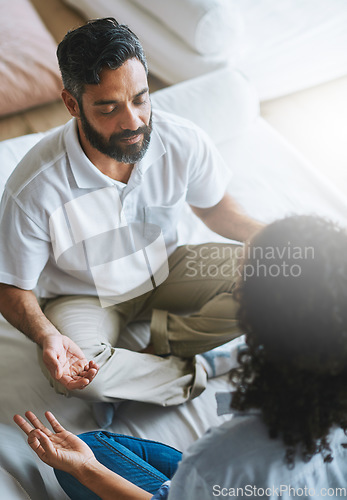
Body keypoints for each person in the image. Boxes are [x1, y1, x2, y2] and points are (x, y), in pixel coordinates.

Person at [0, 17, 262, 416]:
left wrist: (267, 236)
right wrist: (47, 335)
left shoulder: (182, 140)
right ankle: (197, 368)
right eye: (109, 108)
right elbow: (10, 287)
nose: (133, 121)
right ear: (73, 105)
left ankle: (157, 352)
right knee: (80, 374)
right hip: (84, 296)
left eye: (140, 98)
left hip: (169, 268)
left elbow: (214, 207)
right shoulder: (33, 188)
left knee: (283, 270)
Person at [14, 215, 347, 499]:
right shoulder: (314, 399)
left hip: (226, 477)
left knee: (88, 453)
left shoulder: (225, 454)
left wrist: (86, 470)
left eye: (242, 285)